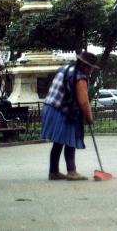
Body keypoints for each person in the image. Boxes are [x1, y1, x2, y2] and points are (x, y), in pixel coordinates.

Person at [41, 51, 97, 180]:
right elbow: (83, 102)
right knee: (70, 139)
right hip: (62, 110)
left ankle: (53, 172)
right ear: (86, 66)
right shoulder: (80, 77)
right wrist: (89, 118)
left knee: (58, 142)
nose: (91, 71)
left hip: (50, 107)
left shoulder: (64, 68)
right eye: (92, 69)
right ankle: (72, 172)